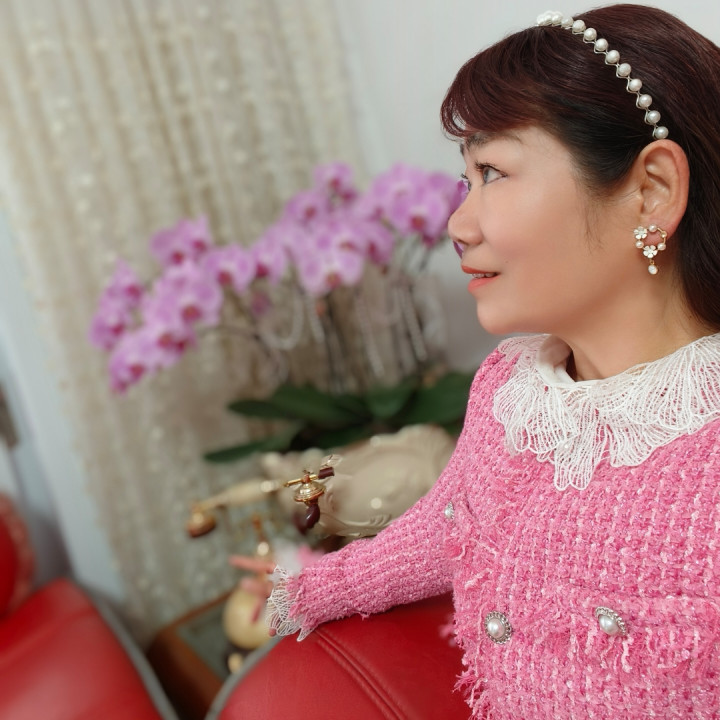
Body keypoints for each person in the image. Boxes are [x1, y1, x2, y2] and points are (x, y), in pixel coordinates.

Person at [234, 5, 720, 717]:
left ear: (651, 192)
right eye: (466, 180)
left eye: (492, 171)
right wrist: (307, 587)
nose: (457, 224)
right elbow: (451, 525)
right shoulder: (512, 389)